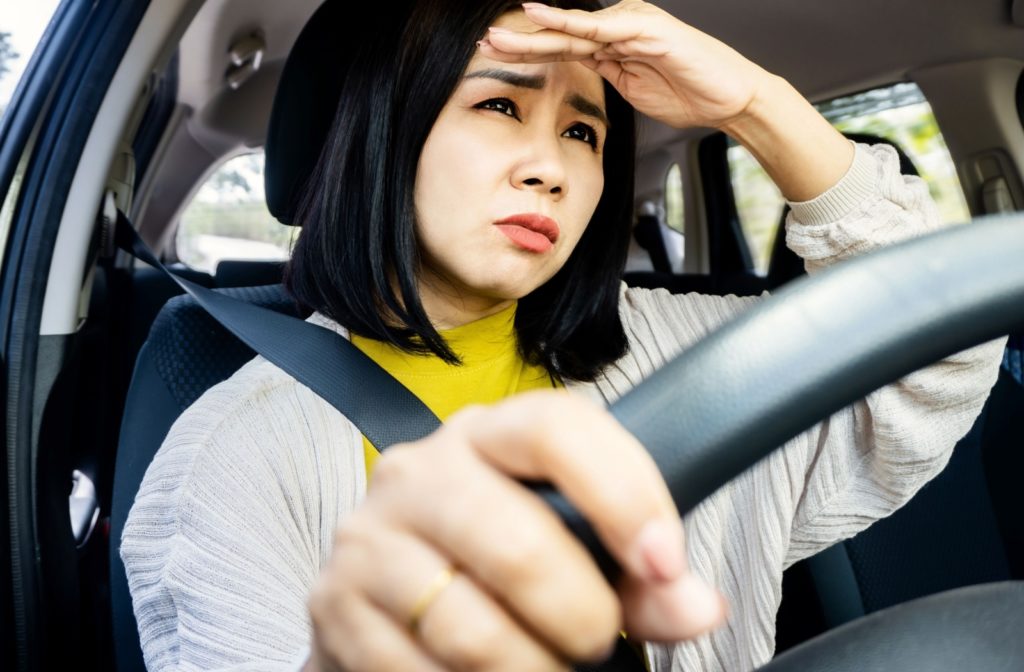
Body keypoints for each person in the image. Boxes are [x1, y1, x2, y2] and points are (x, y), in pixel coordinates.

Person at [121, 1, 1006, 670]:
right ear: (386, 133)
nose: (551, 168)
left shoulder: (672, 354)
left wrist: (755, 105)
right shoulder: (234, 455)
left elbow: (932, 348)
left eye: (583, 130)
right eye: (500, 108)